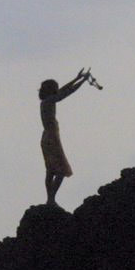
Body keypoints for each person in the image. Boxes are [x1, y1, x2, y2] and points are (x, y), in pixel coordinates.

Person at [39, 68, 92, 206]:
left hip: (47, 138)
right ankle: (51, 199)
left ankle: (50, 199)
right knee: (61, 170)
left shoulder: (46, 101)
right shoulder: (50, 101)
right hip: (52, 138)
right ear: (51, 90)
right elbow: (66, 93)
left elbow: (62, 90)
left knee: (51, 170)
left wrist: (77, 78)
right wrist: (82, 81)